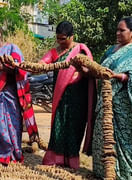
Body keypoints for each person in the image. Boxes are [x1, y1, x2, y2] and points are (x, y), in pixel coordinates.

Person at [92, 16, 132, 180]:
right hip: (106, 103)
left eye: (122, 30)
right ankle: (104, 172)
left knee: (125, 143)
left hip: (125, 107)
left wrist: (119, 76)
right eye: (117, 30)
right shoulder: (111, 50)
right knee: (105, 136)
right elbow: (100, 70)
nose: (118, 33)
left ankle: (127, 175)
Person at [0, 22, 39, 164]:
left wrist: (5, 69)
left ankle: (10, 153)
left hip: (9, 94)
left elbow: (21, 70)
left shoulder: (12, 49)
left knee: (10, 123)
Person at [41, 21, 96, 169]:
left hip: (78, 98)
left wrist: (82, 69)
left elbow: (90, 72)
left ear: (72, 36)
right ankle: (55, 159)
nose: (60, 42)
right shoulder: (55, 52)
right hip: (60, 97)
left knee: (74, 128)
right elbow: (43, 63)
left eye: (63, 38)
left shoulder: (81, 51)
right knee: (58, 127)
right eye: (58, 38)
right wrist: (31, 66)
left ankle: (71, 161)